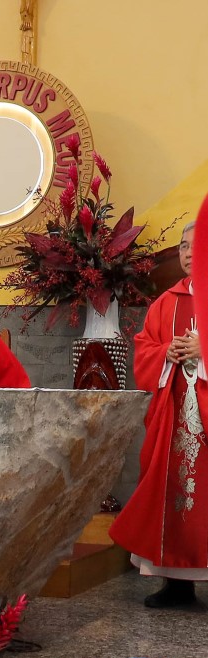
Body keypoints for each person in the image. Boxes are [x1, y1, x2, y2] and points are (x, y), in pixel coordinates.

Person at [110, 222, 207, 607]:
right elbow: (145, 347)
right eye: (183, 246)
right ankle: (177, 585)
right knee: (171, 492)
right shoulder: (166, 301)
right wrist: (165, 352)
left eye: (197, 246)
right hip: (174, 416)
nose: (189, 253)